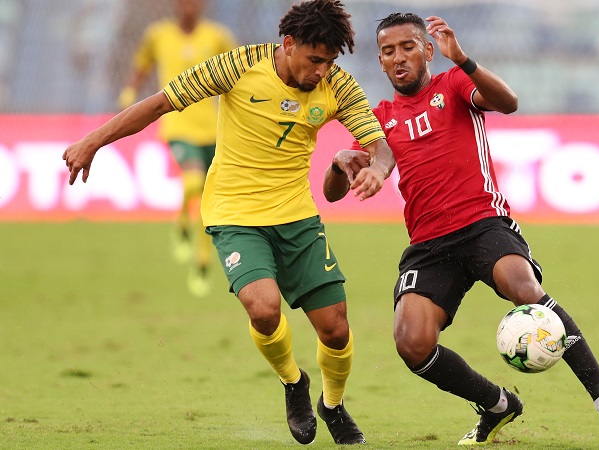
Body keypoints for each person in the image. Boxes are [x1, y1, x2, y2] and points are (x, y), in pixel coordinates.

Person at [63, 0, 395, 445]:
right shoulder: (239, 65)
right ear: (289, 43)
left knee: (335, 328)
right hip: (235, 215)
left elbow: (378, 142)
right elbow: (161, 102)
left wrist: (379, 168)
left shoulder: (337, 85)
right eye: (315, 60)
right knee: (263, 307)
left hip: (297, 216)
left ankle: (332, 406)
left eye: (329, 62)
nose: (321, 71)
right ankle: (293, 382)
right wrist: (94, 140)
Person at [324, 13, 599, 446]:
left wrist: (466, 60)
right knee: (410, 343)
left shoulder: (454, 84)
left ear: (428, 51)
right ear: (379, 61)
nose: (398, 57)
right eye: (388, 51)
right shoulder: (380, 118)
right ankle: (497, 405)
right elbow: (335, 192)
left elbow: (508, 102)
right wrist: (338, 162)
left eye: (408, 47)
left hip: (482, 223)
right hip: (429, 245)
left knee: (524, 288)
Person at [118, 0, 238, 297]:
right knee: (194, 182)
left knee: (209, 199)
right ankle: (182, 218)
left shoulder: (218, 35)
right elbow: (142, 63)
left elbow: (238, 72)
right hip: (177, 126)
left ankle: (202, 261)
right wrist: (131, 89)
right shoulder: (158, 34)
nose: (189, 6)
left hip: (213, 129)